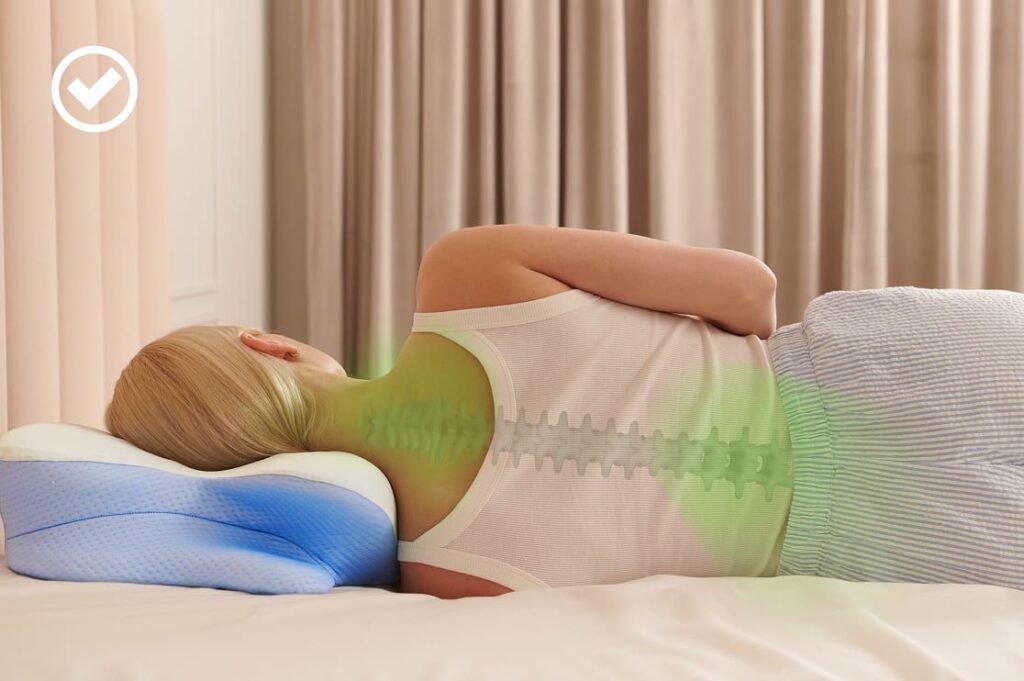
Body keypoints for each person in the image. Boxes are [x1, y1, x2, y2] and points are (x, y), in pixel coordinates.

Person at [106, 223, 1024, 598]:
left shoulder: (439, 576)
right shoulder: (465, 272)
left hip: (879, 543)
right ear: (267, 347)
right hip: (888, 370)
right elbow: (748, 288)